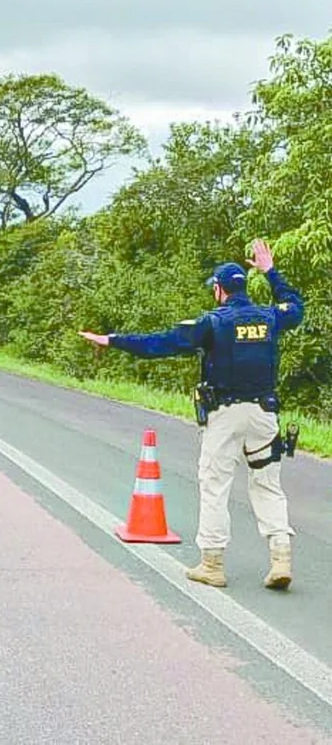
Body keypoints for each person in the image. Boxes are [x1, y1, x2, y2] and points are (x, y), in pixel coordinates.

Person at [78, 239, 304, 590]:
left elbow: (163, 343)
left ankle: (212, 563)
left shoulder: (212, 323)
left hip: (225, 414)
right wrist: (271, 272)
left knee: (215, 484)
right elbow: (296, 307)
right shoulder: (271, 316)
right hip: (265, 414)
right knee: (267, 485)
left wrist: (114, 339)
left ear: (218, 290)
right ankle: (281, 557)